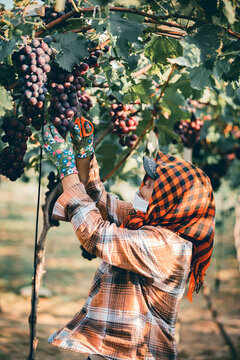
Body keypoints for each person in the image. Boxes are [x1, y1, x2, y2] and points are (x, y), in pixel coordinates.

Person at [39, 120, 215, 360]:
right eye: (147, 179)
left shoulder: (168, 247)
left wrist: (67, 168)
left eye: (154, 184)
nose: (144, 186)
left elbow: (97, 235)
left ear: (175, 200)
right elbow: (98, 201)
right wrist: (84, 153)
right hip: (109, 351)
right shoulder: (147, 222)